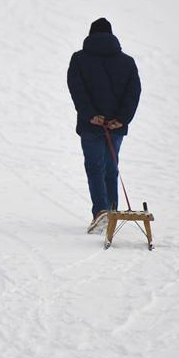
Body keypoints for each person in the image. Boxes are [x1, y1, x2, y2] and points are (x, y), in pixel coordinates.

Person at [66, 17, 141, 232]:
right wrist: (122, 118)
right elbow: (133, 92)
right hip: (115, 126)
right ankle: (113, 212)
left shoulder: (79, 59)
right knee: (111, 167)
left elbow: (76, 88)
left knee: (94, 167)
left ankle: (102, 212)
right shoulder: (127, 62)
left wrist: (90, 114)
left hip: (92, 125)